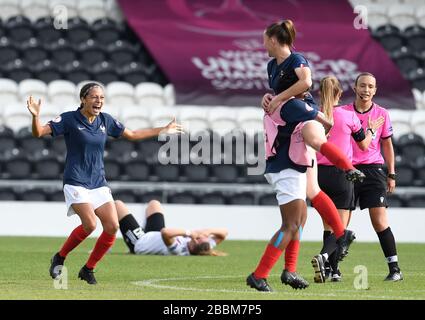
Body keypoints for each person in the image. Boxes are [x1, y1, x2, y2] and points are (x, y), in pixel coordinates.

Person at [26, 82, 184, 284]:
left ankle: (88, 269)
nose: (98, 101)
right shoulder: (68, 119)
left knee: (111, 227)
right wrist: (35, 116)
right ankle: (60, 256)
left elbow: (133, 135)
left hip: (98, 182)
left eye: (101, 98)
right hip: (76, 181)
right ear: (83, 99)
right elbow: (38, 133)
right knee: (90, 224)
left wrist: (163, 129)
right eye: (94, 97)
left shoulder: (105, 120)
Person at [246, 20, 363, 292]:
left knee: (299, 219)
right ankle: (260, 274)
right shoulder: (293, 106)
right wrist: (282, 102)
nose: (263, 44)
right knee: (291, 224)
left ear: (275, 40)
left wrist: (275, 100)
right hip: (286, 163)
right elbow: (324, 121)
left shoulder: (294, 69)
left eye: (265, 39)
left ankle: (289, 270)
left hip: (291, 162)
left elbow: (305, 82)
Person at [311, 75, 385, 283]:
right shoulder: (348, 115)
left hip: (318, 175)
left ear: (320, 92)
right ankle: (325, 258)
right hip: (342, 175)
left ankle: (332, 271)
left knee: (328, 226)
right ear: (340, 93)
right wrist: (371, 129)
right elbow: (364, 145)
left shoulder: (314, 116)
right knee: (340, 228)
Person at [341, 72, 403, 281]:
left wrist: (391, 173)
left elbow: (387, 144)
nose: (366, 90)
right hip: (347, 169)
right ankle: (333, 269)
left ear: (375, 90)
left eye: (370, 86)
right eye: (362, 86)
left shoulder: (382, 114)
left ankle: (395, 269)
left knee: (379, 221)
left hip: (373, 170)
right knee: (340, 223)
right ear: (355, 88)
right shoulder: (343, 112)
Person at [116, 199, 228, 256]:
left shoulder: (179, 250)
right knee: (154, 203)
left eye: (199, 238)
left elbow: (165, 232)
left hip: (141, 242)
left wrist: (189, 233)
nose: (200, 235)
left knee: (117, 205)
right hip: (154, 234)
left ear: (195, 243)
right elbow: (224, 233)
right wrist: (207, 231)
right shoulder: (205, 245)